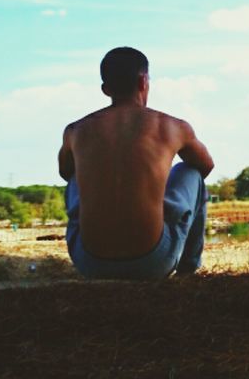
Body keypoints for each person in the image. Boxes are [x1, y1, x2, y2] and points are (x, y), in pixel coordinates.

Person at [59, 47, 215, 280]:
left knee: (75, 178)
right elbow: (205, 166)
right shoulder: (173, 126)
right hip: (153, 262)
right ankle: (188, 270)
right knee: (190, 172)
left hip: (90, 262)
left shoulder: (76, 130)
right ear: (143, 82)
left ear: (105, 89)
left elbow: (65, 173)